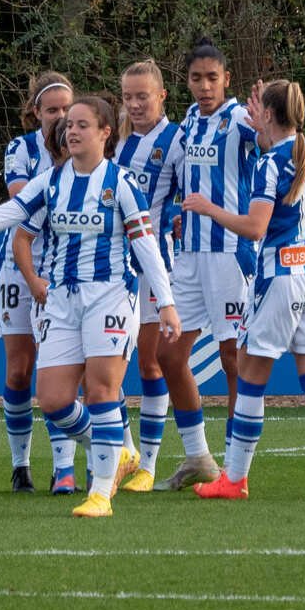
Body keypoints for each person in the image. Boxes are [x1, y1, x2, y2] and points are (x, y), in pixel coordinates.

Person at [0, 95, 182, 518]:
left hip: (110, 295)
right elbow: (5, 216)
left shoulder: (122, 183)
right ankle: (113, 451)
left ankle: (99, 493)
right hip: (60, 299)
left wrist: (165, 303)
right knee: (54, 400)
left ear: (105, 133)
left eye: (81, 125)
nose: (71, 131)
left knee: (100, 391)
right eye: (69, 126)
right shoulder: (53, 181)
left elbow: (145, 245)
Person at [187, 79, 305, 500]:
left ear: (268, 114)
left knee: (250, 378)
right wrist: (262, 122)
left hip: (283, 277)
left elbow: (256, 227)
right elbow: (279, 150)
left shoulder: (269, 163)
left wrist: (210, 209)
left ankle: (234, 479)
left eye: (259, 110)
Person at [152, 38, 257, 491]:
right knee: (167, 353)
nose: (204, 86)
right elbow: (181, 181)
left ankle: (235, 470)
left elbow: (279, 142)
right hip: (188, 256)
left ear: (226, 80)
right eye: (196, 78)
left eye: (212, 78)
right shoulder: (190, 122)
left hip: (229, 254)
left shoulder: (240, 120)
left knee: (233, 358)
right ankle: (199, 456)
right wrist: (176, 212)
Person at [0, 72, 75, 494]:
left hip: (63, 268)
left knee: (57, 367)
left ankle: (63, 468)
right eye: (52, 110)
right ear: (36, 113)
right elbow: (22, 200)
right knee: (19, 370)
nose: (60, 116)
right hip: (17, 266)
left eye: (66, 108)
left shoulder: (86, 149)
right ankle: (20, 463)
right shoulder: (21, 148)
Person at [113, 60, 184, 493]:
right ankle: (125, 450)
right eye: (128, 97)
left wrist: (176, 212)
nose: (135, 104)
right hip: (114, 268)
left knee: (150, 361)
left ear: (161, 96)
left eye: (143, 96)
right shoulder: (114, 138)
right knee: (111, 365)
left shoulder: (176, 139)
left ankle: (150, 464)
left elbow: (190, 185)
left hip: (155, 264)